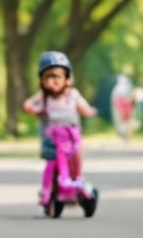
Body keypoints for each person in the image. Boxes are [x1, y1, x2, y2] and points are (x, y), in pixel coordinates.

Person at [24, 51, 99, 211]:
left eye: (57, 76)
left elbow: (84, 109)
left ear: (67, 79)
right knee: (51, 164)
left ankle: (79, 187)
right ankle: (50, 190)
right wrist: (35, 106)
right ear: (41, 80)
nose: (52, 81)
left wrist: (90, 111)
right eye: (47, 77)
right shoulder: (45, 98)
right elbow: (29, 105)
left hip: (72, 139)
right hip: (52, 140)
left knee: (76, 168)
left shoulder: (72, 96)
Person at [110, 72, 136, 144]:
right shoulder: (118, 89)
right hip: (121, 109)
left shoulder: (127, 89)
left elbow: (132, 100)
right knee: (123, 124)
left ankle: (125, 137)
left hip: (126, 109)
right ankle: (123, 137)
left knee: (125, 124)